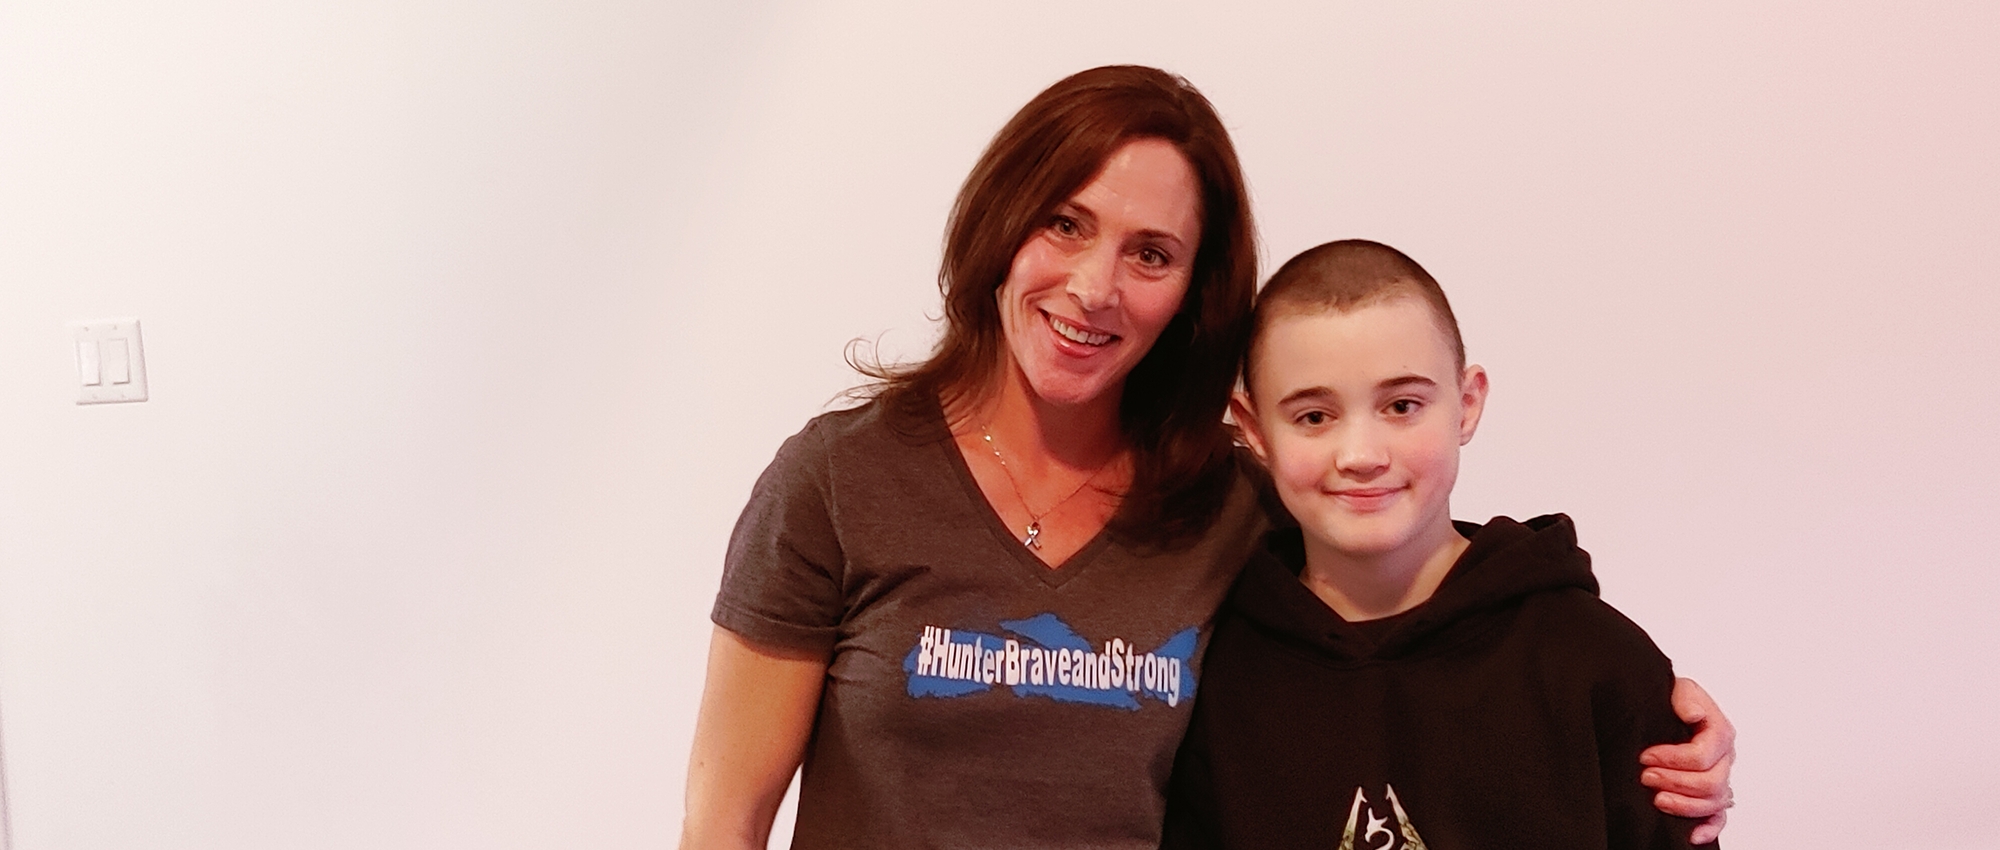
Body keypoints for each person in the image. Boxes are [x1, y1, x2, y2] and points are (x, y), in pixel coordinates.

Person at [680, 67, 1735, 850]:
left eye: (1150, 254)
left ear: (1192, 291)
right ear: (1002, 224)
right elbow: (722, 825)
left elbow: (1414, 582)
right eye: (1064, 223)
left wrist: (1637, 708)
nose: (1095, 287)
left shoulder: (1226, 503)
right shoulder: (837, 481)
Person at [1161, 239, 1712, 848]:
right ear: (1255, 430)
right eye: (1314, 417)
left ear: (1467, 404)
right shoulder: (1212, 674)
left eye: (1402, 405)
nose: (1362, 456)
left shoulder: (1599, 665)